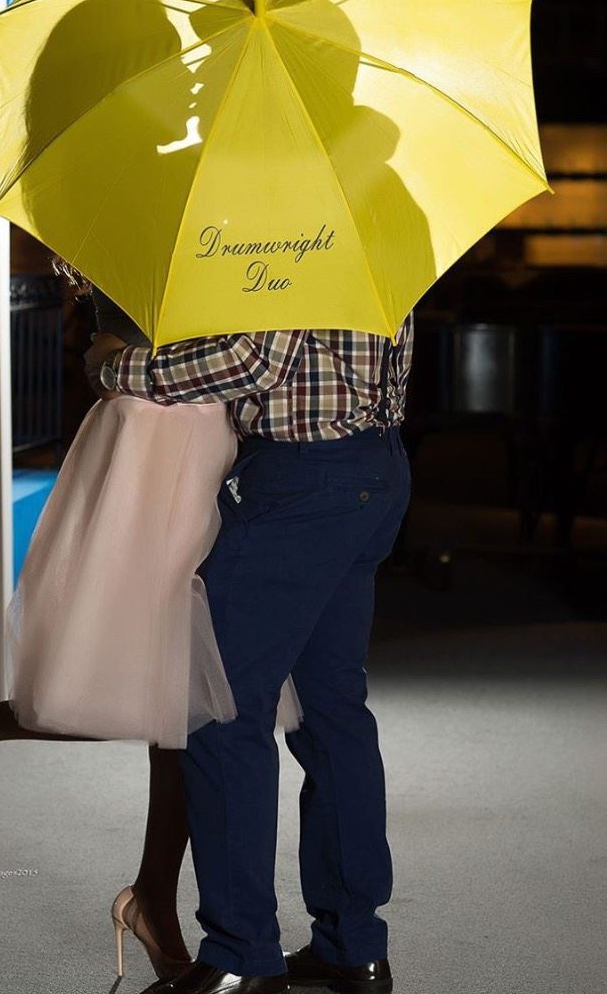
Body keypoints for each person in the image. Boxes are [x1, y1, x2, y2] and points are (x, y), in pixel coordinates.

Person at [0, 266, 303, 982]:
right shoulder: (135, 217)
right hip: (148, 442)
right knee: (121, 683)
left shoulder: (231, 221)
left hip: (205, 442)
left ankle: (154, 896)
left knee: (188, 700)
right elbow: (124, 339)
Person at [86, 314, 414, 994]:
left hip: (301, 483)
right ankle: (353, 947)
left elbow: (251, 361)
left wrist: (117, 367)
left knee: (220, 710)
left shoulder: (295, 246)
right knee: (332, 714)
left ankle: (242, 953)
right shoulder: (368, 246)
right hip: (375, 464)